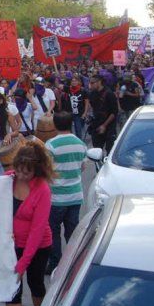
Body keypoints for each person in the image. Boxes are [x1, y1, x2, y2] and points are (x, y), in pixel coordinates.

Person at [7, 142, 54, 306]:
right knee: (12, 289)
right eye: (18, 170)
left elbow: (37, 231)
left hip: (39, 246)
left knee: (36, 284)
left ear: (36, 170)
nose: (20, 175)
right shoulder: (8, 179)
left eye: (26, 173)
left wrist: (23, 264)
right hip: (12, 244)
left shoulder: (43, 190)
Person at [44, 112, 86, 274]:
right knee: (72, 231)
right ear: (70, 124)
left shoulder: (51, 145)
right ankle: (73, 262)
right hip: (75, 195)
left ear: (54, 124)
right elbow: (83, 167)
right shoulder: (80, 144)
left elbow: (46, 169)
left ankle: (55, 263)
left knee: (54, 231)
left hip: (56, 197)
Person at [88, 74, 118, 154]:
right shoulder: (92, 93)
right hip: (96, 125)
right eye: (90, 83)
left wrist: (104, 125)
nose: (90, 85)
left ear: (99, 82)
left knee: (110, 150)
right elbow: (92, 107)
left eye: (92, 83)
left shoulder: (109, 94)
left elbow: (114, 112)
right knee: (97, 151)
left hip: (109, 126)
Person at [67, 75, 90, 140]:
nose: (74, 82)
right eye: (72, 81)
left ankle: (79, 142)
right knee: (69, 129)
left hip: (79, 113)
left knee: (78, 129)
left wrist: (85, 113)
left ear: (78, 82)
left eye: (75, 81)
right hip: (70, 113)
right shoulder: (68, 89)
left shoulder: (83, 90)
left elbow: (87, 102)